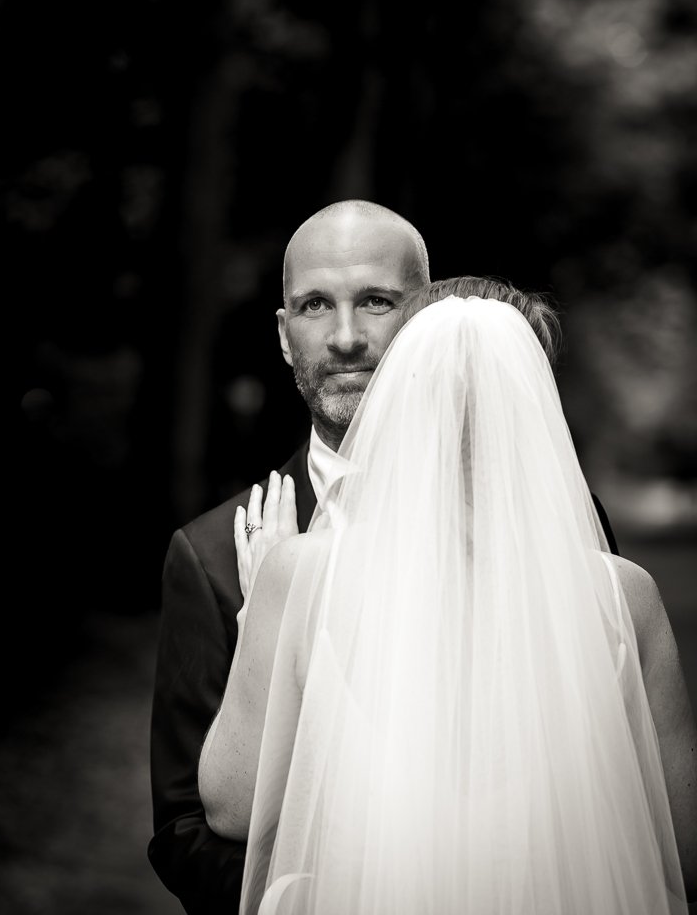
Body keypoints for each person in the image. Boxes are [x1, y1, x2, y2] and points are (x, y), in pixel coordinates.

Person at [198, 284, 697, 914]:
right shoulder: (623, 597)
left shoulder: (300, 577)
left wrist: (260, 613)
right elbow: (686, 851)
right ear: (535, 403)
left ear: (399, 396)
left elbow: (232, 807)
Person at [148, 199, 432, 914]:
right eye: (313, 305)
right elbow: (183, 833)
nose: (344, 338)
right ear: (283, 335)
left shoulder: (546, 519)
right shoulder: (211, 553)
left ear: (427, 318)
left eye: (375, 301)